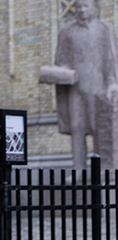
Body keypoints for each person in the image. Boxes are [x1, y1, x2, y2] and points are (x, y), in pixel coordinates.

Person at [55, 0, 118, 170]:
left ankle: (105, 168)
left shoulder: (105, 29)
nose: (81, 10)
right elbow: (61, 60)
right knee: (77, 127)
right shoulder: (67, 32)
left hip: (99, 87)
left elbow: (112, 59)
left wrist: (112, 83)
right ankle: (78, 168)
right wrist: (61, 72)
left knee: (100, 127)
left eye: (86, 6)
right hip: (75, 88)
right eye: (79, 6)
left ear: (94, 8)